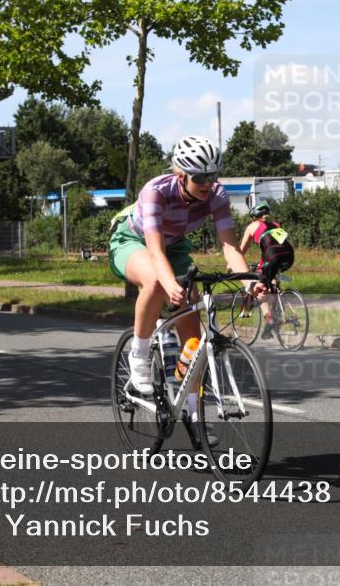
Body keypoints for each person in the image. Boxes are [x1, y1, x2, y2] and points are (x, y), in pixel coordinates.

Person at [108, 136, 267, 442]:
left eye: (213, 175)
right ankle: (139, 356)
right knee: (156, 281)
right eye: (201, 177)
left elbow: (230, 247)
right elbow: (154, 251)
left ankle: (194, 414)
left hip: (175, 246)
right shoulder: (156, 191)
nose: (209, 183)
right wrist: (171, 285)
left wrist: (250, 282)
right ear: (181, 175)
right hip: (133, 240)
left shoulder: (216, 194)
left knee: (193, 341)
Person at [239, 200, 295, 340]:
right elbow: (279, 243)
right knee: (272, 281)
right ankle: (279, 311)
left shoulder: (252, 226)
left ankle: (269, 319)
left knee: (261, 287)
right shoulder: (276, 225)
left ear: (253, 217)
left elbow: (241, 251)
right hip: (289, 256)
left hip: (272, 256)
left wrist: (231, 264)